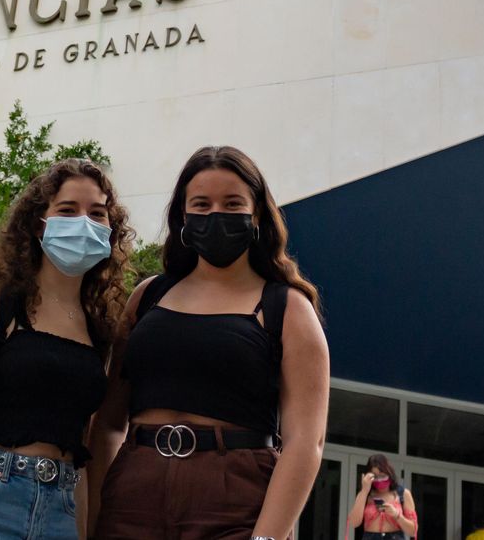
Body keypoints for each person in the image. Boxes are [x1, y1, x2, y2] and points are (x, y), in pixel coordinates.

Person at [89, 145, 330, 540]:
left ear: (256, 214)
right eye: (201, 204)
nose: (215, 213)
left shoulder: (287, 307)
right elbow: (109, 422)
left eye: (232, 203)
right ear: (182, 216)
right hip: (133, 491)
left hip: (236, 499)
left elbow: (306, 441)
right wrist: (95, 516)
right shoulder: (147, 296)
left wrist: (267, 537)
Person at [0, 158, 134, 540]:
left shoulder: (98, 324)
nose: (83, 221)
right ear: (39, 224)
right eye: (67, 210)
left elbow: (80, 443)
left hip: (60, 511)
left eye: (97, 213)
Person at [346, 454, 417, 538]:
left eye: (382, 475)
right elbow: (354, 522)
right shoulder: (365, 494)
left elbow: (413, 531)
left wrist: (397, 515)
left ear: (389, 473)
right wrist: (364, 491)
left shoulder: (403, 494)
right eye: (375, 477)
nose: (379, 480)